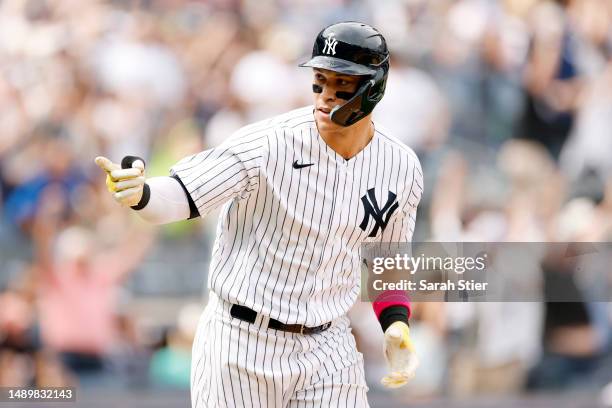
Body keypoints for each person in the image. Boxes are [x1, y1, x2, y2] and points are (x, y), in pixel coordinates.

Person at [95, 21, 423, 407]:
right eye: (320, 79)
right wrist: (142, 194)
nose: (325, 94)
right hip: (241, 343)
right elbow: (182, 195)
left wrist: (395, 322)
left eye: (342, 84)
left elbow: (388, 259)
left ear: (374, 88)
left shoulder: (401, 166)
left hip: (328, 347)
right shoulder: (269, 143)